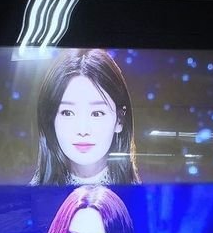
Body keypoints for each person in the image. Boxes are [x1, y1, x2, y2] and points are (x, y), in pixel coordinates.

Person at [30, 48, 141, 186]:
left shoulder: (141, 195)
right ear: (50, 120)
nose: (82, 130)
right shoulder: (30, 195)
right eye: (67, 113)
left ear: (120, 120)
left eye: (97, 113)